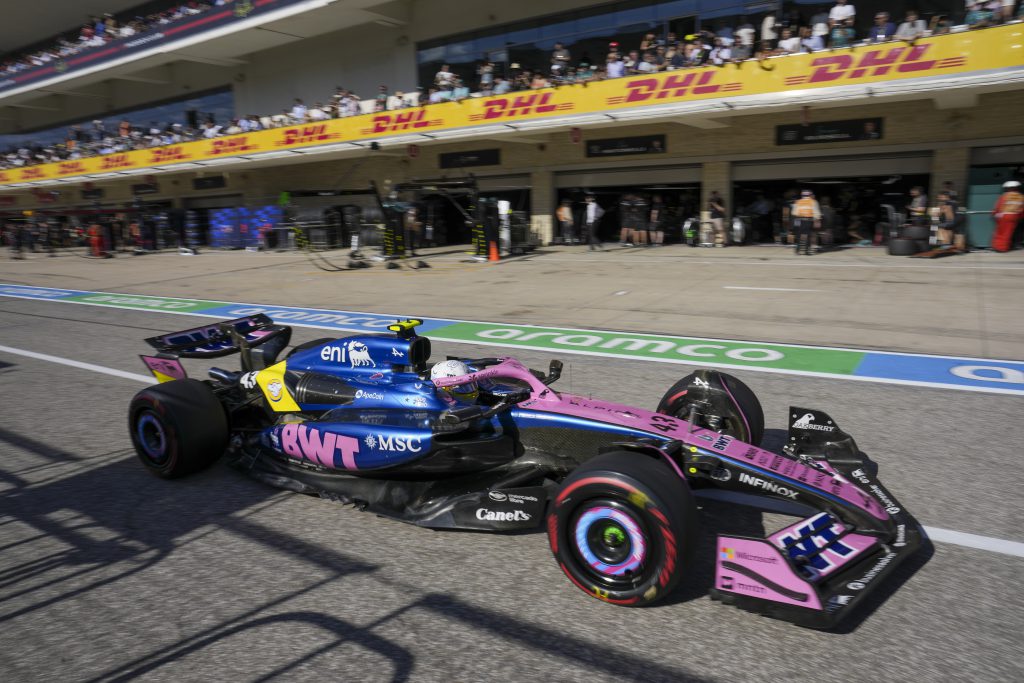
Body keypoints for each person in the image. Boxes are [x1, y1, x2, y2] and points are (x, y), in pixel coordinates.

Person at [991, 180, 1023, 252]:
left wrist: (994, 214)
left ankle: (1000, 248)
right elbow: (1022, 209)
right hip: (1015, 216)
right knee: (1008, 232)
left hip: (1004, 216)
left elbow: (999, 206)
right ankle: (1004, 247)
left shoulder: (1005, 196)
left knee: (1001, 232)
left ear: (1008, 188)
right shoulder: (1021, 197)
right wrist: (1020, 217)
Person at [791, 189, 822, 255]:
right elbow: (816, 213)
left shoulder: (798, 201)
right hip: (808, 220)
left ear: (802, 195)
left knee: (798, 235)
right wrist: (817, 220)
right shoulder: (813, 202)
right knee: (808, 236)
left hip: (798, 220)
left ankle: (797, 250)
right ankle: (807, 251)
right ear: (810, 195)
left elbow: (794, 212)